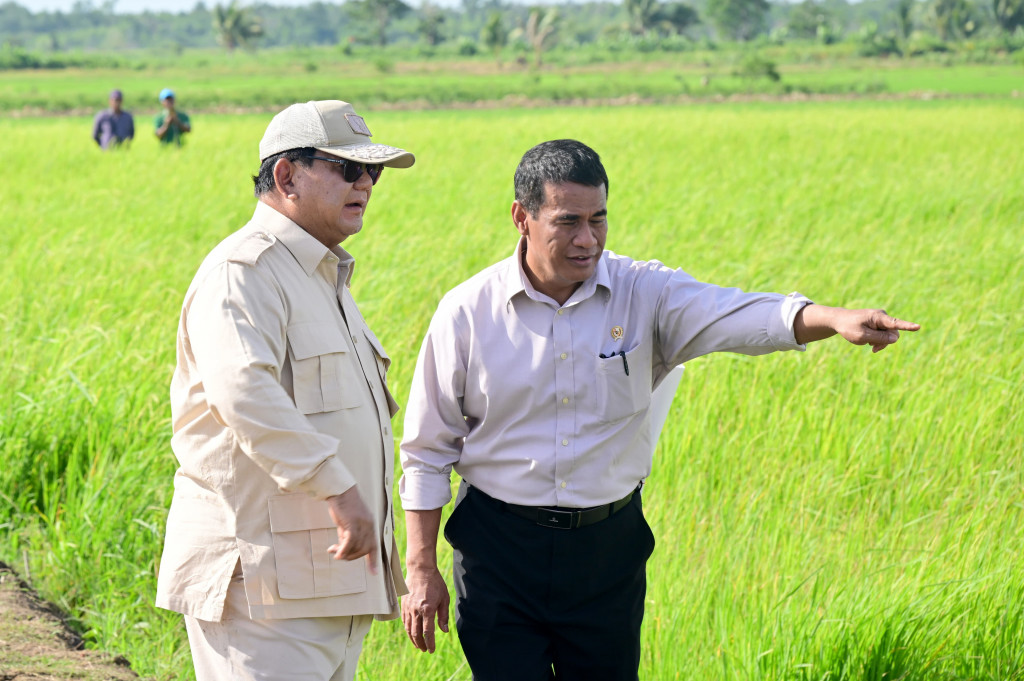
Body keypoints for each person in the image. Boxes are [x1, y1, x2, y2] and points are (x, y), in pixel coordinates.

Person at [398, 139, 921, 680]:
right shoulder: (466, 312)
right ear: (521, 218)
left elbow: (735, 313)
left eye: (599, 219)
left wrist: (832, 319)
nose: (587, 239)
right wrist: (421, 568)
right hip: (497, 551)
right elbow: (426, 450)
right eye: (568, 221)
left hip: (605, 553)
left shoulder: (644, 292)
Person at [155, 100, 414, 681]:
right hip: (260, 585)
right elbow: (242, 391)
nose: (367, 183)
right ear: (286, 175)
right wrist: (341, 489)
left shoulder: (322, 276)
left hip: (324, 579)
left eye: (371, 173)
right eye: (347, 169)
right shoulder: (244, 271)